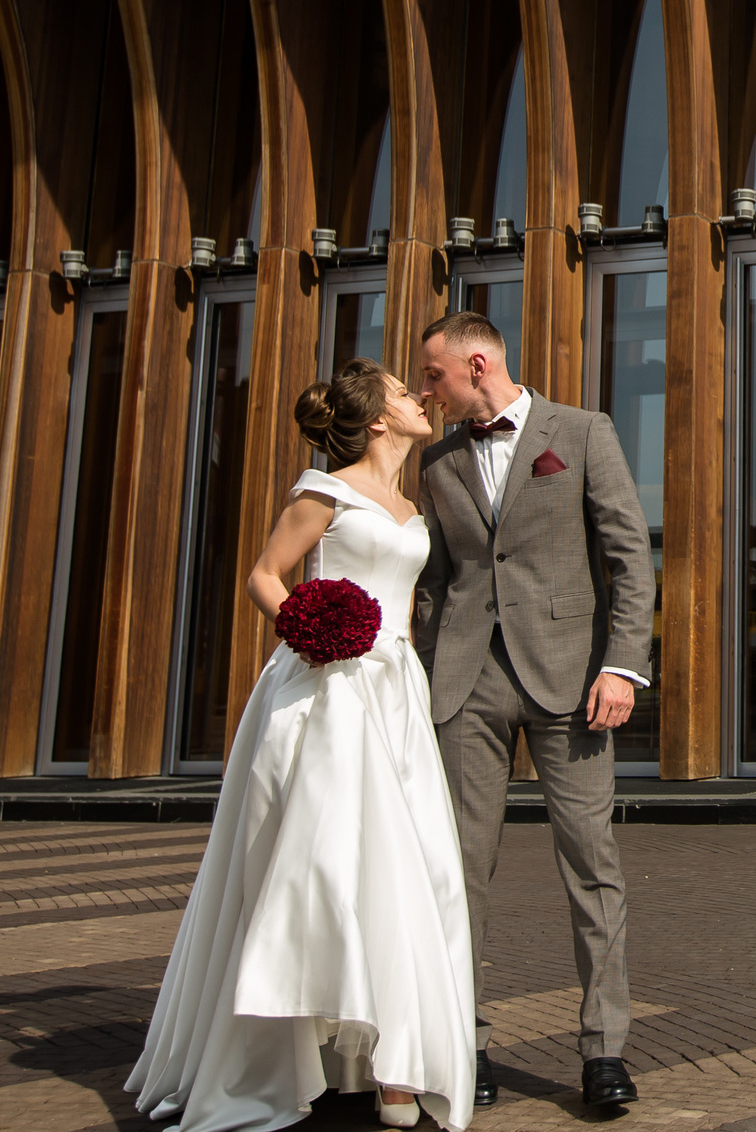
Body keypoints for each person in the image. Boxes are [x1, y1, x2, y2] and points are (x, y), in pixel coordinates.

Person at [129, 362, 476, 1132]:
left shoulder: (409, 502)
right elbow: (264, 575)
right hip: (325, 690)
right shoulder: (325, 489)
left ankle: (392, 1058)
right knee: (323, 864)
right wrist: (310, 631)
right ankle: (312, 1053)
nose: (418, 397)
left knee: (411, 865)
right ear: (378, 421)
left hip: (395, 692)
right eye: (399, 391)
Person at [415, 311, 655, 1110]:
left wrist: (621, 665)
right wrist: (418, 672)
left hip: (571, 682)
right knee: (457, 874)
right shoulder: (439, 460)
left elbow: (628, 556)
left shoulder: (582, 432)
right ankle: (463, 1042)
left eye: (434, 375)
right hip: (465, 683)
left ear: (477, 364)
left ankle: (603, 1050)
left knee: (592, 864)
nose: (427, 390)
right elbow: (437, 582)